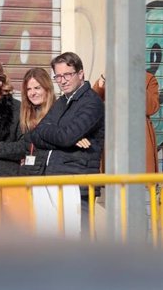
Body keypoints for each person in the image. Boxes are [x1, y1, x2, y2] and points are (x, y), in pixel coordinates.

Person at [27, 52, 104, 232]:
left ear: (80, 74)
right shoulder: (62, 101)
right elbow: (36, 135)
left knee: (79, 243)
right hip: (52, 182)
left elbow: (65, 136)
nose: (62, 80)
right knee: (52, 244)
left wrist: (66, 138)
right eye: (58, 76)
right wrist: (69, 139)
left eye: (67, 75)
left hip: (77, 185)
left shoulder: (91, 102)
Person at [92, 71, 160, 173]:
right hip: (115, 142)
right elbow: (92, 102)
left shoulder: (148, 78)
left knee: (141, 184)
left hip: (139, 142)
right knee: (115, 183)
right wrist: (102, 79)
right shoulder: (112, 78)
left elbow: (152, 107)